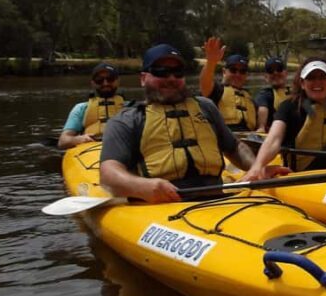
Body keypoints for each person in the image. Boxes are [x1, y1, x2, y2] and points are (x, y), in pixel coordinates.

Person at [99, 44, 281, 204]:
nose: (171, 78)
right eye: (161, 72)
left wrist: (257, 168)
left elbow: (234, 148)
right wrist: (140, 186)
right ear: (143, 78)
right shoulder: (127, 120)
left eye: (177, 72)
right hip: (163, 207)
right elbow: (108, 174)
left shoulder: (205, 107)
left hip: (218, 199)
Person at [244, 58, 326, 179]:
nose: (317, 82)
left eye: (323, 77)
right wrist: (257, 167)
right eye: (311, 78)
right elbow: (274, 139)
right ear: (302, 83)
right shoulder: (289, 106)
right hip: (304, 174)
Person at [58, 62, 125, 150]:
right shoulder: (80, 109)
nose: (105, 83)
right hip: (91, 149)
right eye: (99, 80)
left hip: (122, 147)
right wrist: (79, 139)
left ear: (118, 81)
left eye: (110, 79)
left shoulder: (131, 108)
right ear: (93, 83)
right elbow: (63, 141)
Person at [199, 36, 257, 132]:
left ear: (246, 75)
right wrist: (211, 62)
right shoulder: (216, 91)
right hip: (225, 138)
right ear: (224, 72)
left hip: (248, 139)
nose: (237, 74)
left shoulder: (250, 99)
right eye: (233, 70)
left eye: (242, 71)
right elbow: (204, 83)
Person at [254, 57, 291, 133]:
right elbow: (262, 109)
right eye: (270, 71)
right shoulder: (264, 95)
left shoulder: (297, 93)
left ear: (286, 73)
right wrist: (261, 126)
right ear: (266, 77)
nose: (275, 73)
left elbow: (310, 112)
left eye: (279, 69)